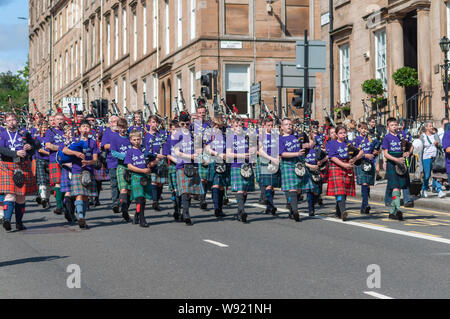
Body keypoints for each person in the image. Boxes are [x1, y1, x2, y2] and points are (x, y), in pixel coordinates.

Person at [0, 112, 38, 231]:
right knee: (10, 194)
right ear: (5, 122)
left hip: (23, 165)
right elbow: (1, 149)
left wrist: (30, 147)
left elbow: (37, 144)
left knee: (21, 196)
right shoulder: (3, 135)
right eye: (9, 120)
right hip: (7, 165)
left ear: (17, 120)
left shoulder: (24, 133)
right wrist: (15, 153)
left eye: (13, 120)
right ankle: (6, 220)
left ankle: (19, 223)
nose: (11, 122)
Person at [62, 120, 99, 229]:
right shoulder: (74, 140)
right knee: (79, 195)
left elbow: (95, 159)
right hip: (76, 170)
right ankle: (81, 217)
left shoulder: (93, 142)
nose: (85, 128)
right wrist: (75, 153)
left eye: (87, 127)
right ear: (79, 129)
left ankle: (82, 218)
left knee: (86, 197)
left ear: (90, 129)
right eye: (83, 126)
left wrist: (89, 162)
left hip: (89, 171)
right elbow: (64, 150)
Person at [173, 112, 205, 225]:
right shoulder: (176, 135)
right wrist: (189, 156)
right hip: (182, 165)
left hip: (192, 165)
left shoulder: (193, 135)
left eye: (187, 123)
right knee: (184, 192)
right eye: (183, 124)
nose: (185, 126)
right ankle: (182, 212)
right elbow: (177, 152)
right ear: (179, 123)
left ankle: (183, 212)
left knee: (189, 191)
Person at [326, 125, 363, 221]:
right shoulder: (333, 144)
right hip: (337, 167)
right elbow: (332, 157)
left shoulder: (349, 144)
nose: (343, 135)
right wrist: (344, 165)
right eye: (340, 133)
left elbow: (361, 152)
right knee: (340, 190)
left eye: (344, 133)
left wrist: (354, 159)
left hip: (347, 167)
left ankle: (338, 212)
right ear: (337, 134)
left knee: (344, 191)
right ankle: (343, 211)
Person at [382, 117, 413, 220]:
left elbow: (411, 145)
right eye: (392, 125)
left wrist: (408, 152)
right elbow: (385, 154)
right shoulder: (387, 138)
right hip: (392, 163)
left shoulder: (402, 135)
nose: (394, 127)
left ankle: (392, 212)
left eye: (395, 125)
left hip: (402, 163)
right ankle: (399, 210)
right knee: (395, 187)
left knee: (399, 188)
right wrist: (396, 160)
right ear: (388, 127)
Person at [227, 116, 256, 223]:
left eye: (240, 125)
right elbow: (229, 153)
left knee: (244, 190)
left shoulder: (246, 137)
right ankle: (242, 210)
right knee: (240, 189)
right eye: (236, 126)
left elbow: (253, 150)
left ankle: (240, 212)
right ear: (232, 127)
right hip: (236, 165)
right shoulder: (230, 138)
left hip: (246, 166)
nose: (239, 128)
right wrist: (242, 154)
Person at [278, 118, 308, 222]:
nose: (289, 126)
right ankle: (295, 211)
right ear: (282, 127)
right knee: (292, 189)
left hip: (299, 163)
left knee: (299, 189)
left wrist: (307, 144)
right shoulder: (280, 139)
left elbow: (309, 145)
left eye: (290, 124)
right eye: (286, 124)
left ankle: (291, 210)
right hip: (288, 164)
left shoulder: (297, 136)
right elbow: (282, 154)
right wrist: (296, 154)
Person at [125, 129, 152, 227]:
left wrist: (151, 164)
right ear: (131, 140)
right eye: (134, 140)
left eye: (138, 139)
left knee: (143, 199)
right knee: (139, 198)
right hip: (136, 176)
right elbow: (129, 166)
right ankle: (142, 219)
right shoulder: (130, 151)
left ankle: (137, 214)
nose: (136, 141)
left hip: (145, 177)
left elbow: (151, 161)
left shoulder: (144, 150)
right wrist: (142, 171)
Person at [205, 115, 230, 218]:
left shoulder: (226, 131)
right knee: (215, 184)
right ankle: (216, 208)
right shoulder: (209, 132)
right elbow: (207, 147)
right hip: (215, 159)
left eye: (220, 125)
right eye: (217, 125)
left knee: (221, 186)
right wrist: (216, 154)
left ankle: (220, 208)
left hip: (224, 160)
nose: (218, 127)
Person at [110, 118, 132, 222]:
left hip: (132, 166)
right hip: (121, 166)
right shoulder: (114, 138)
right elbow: (114, 153)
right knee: (123, 188)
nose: (123, 130)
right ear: (118, 128)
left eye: (124, 127)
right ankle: (123, 208)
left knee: (130, 192)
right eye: (121, 127)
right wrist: (125, 156)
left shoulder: (130, 138)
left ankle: (125, 210)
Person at [44, 112, 67, 215]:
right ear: (54, 120)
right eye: (57, 119)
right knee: (58, 182)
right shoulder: (50, 131)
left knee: (66, 182)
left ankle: (65, 203)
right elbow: (48, 145)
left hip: (68, 159)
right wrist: (61, 148)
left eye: (61, 119)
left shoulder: (68, 131)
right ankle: (59, 205)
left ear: (64, 120)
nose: (59, 121)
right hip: (55, 159)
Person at [258, 117, 280, 216]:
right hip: (265, 161)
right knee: (268, 185)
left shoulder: (276, 135)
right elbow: (260, 151)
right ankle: (271, 205)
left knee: (271, 187)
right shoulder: (261, 136)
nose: (270, 127)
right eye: (268, 125)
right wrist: (270, 158)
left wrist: (277, 158)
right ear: (265, 125)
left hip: (274, 162)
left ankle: (268, 208)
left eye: (272, 125)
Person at [354, 122, 376, 214]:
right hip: (361, 163)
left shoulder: (370, 139)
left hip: (370, 163)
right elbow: (355, 153)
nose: (364, 130)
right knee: (364, 183)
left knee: (368, 184)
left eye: (365, 128)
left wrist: (375, 152)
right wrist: (366, 155)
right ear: (359, 129)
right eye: (362, 128)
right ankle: (365, 204)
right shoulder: (357, 139)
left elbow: (375, 150)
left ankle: (364, 206)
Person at [420, 121, 445, 198]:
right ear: (426, 127)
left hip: (436, 157)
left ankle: (439, 190)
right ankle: (424, 189)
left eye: (432, 126)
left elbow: (441, 145)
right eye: (430, 126)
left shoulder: (435, 135)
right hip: (426, 158)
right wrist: (420, 163)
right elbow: (420, 149)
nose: (432, 127)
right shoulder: (422, 136)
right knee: (427, 175)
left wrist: (437, 144)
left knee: (436, 174)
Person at [101, 115, 120, 213]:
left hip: (124, 162)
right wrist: (117, 145)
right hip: (112, 161)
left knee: (123, 184)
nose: (115, 123)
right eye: (113, 122)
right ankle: (115, 203)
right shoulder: (107, 132)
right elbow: (105, 145)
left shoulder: (123, 131)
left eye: (117, 121)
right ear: (110, 123)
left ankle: (122, 202)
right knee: (114, 184)